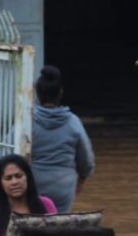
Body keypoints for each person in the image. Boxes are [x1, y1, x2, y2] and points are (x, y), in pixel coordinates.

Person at [30, 66, 95, 213]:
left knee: (32, 224)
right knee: (58, 225)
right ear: (61, 93)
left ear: (37, 93)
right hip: (63, 186)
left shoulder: (27, 121)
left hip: (33, 185)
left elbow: (7, 149)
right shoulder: (73, 122)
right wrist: (82, 178)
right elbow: (86, 158)